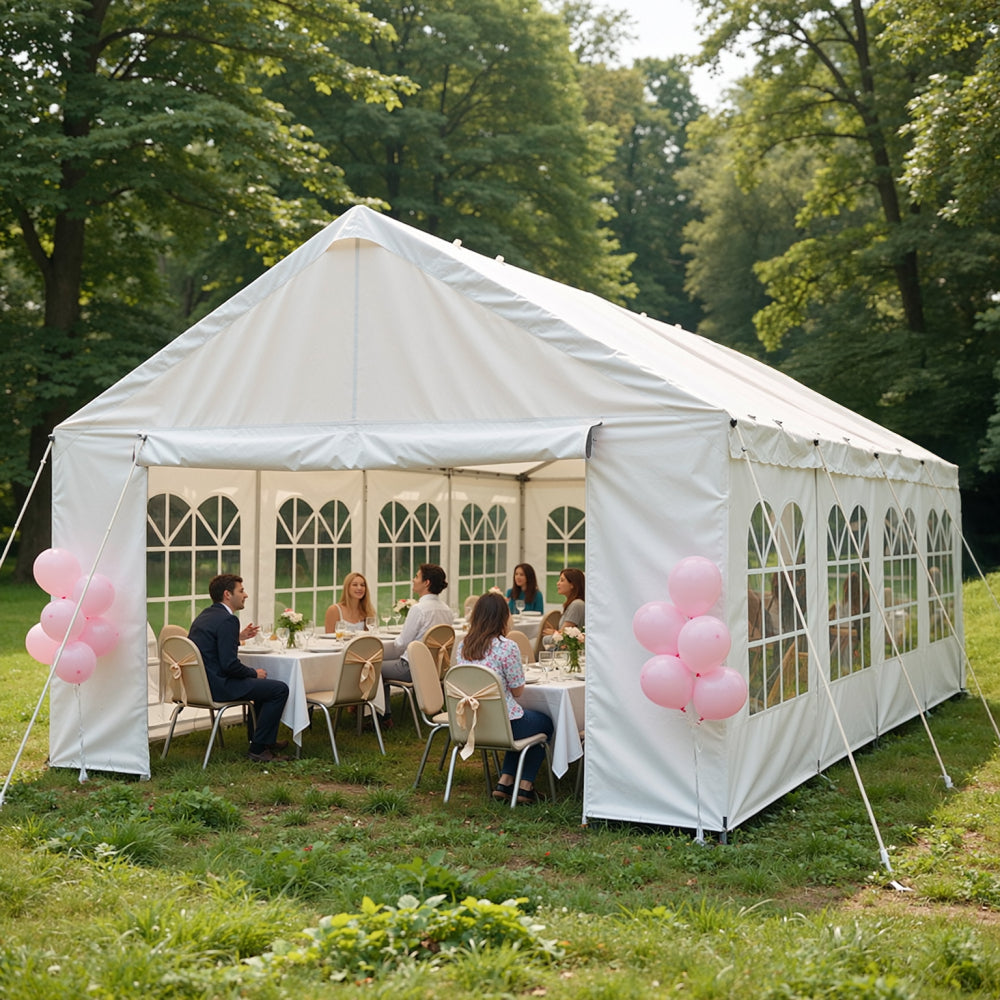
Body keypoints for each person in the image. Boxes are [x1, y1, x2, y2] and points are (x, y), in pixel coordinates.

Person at [456, 592, 553, 805]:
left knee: (523, 721)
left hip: (473, 722)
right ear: (502, 617)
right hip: (502, 724)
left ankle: (505, 781)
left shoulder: (463, 647)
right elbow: (518, 692)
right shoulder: (507, 647)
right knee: (545, 723)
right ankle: (525, 786)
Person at [188, 573, 290, 763]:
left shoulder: (206, 615)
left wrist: (238, 637)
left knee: (264, 688)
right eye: (241, 591)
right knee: (278, 689)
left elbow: (211, 645)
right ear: (228, 594)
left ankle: (262, 741)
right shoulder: (228, 620)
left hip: (201, 686)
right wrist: (253, 673)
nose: (246, 595)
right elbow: (229, 665)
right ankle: (258, 749)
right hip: (219, 686)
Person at [380, 563, 454, 724]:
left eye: (416, 576)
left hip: (412, 668)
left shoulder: (419, 609)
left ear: (426, 583)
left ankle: (383, 716)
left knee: (375, 667)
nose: (413, 580)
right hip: (436, 668)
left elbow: (403, 643)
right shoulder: (447, 610)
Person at [544, 567, 585, 633]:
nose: (558, 583)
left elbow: (563, 637)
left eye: (562, 580)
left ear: (572, 585)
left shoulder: (577, 604)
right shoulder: (573, 604)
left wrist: (554, 633)